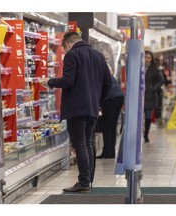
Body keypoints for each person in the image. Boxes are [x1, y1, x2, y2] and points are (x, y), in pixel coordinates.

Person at [39, 31, 112, 192]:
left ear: (68, 44)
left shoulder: (73, 54)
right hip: (92, 107)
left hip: (76, 107)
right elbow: (108, 83)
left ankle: (84, 182)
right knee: (87, 142)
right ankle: (88, 180)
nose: (64, 52)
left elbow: (68, 80)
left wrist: (50, 82)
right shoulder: (99, 55)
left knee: (80, 144)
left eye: (64, 48)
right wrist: (99, 101)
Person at [96, 75, 124, 159]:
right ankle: (111, 152)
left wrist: (99, 103)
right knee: (112, 126)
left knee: (107, 126)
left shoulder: (95, 74)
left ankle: (107, 153)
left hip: (110, 98)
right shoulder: (104, 71)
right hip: (119, 96)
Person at [144, 50, 165, 142]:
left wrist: (153, 88)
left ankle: (146, 135)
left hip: (150, 95)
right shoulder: (138, 66)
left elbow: (161, 80)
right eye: (145, 57)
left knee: (148, 115)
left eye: (149, 58)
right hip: (139, 95)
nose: (147, 59)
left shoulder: (155, 68)